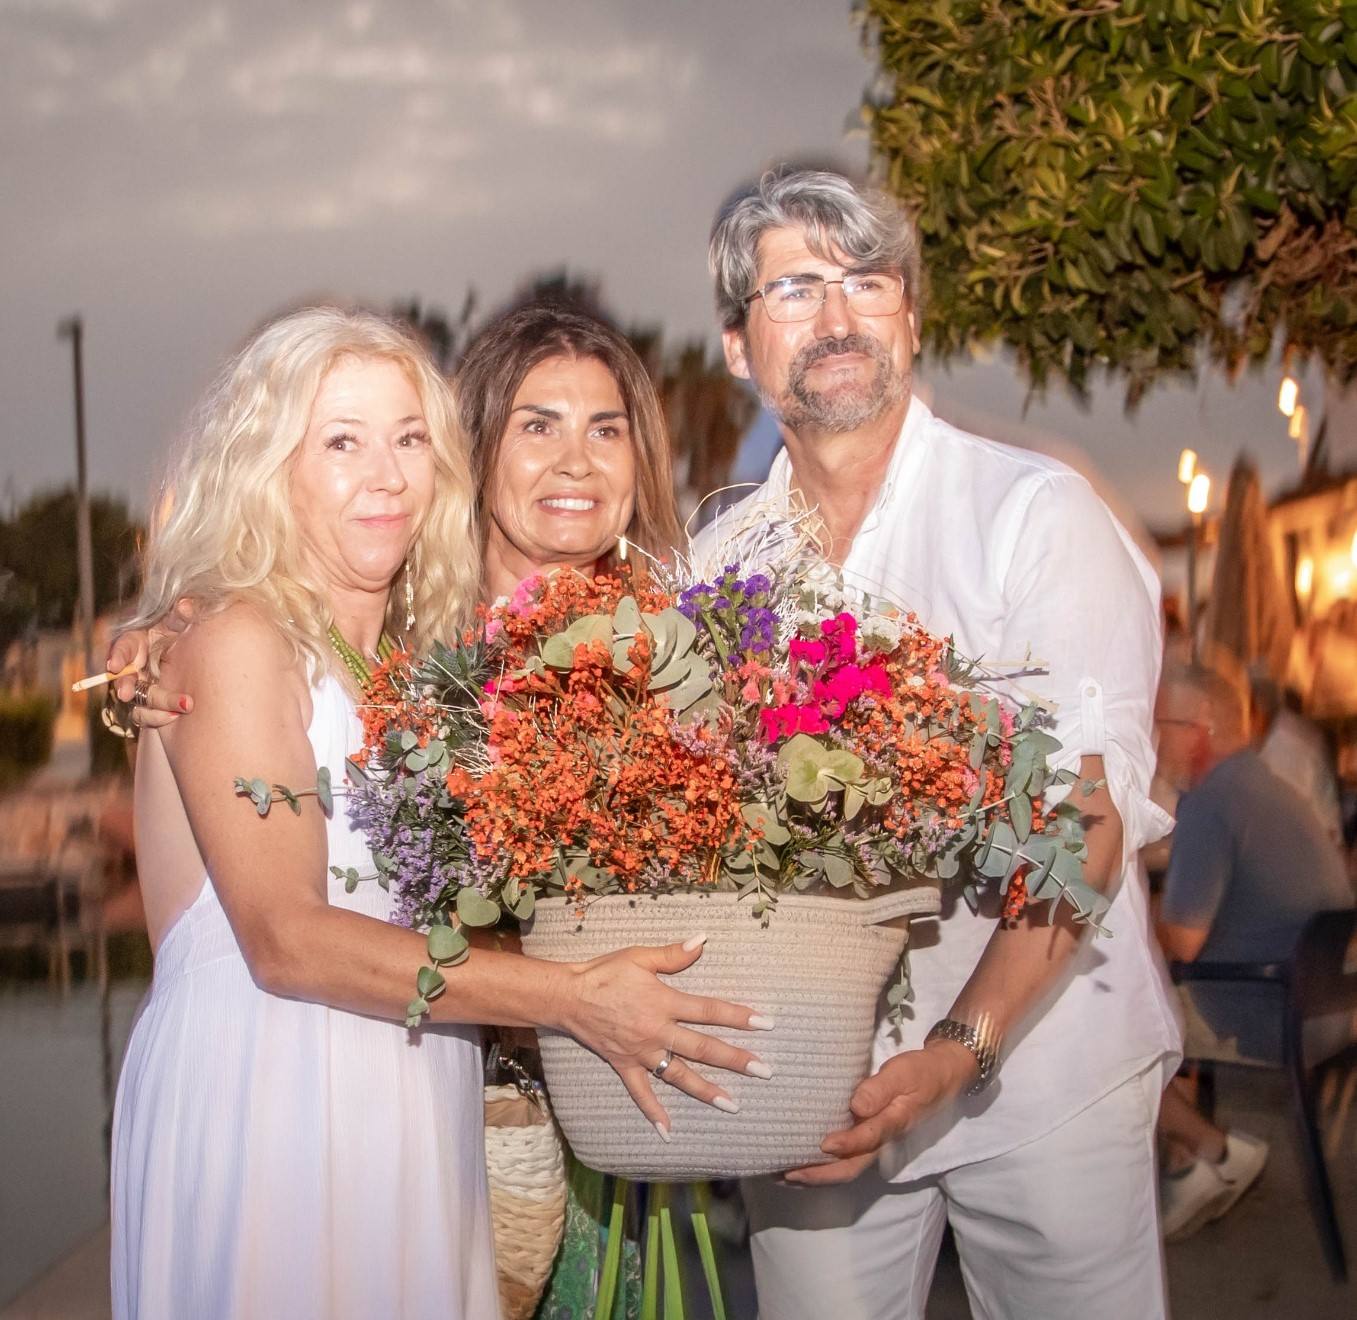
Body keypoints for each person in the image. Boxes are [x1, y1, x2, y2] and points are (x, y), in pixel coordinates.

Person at [108, 306, 768, 1319]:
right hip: (274, 1109)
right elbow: (285, 937)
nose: (385, 472)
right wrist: (573, 994)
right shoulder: (237, 638)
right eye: (341, 440)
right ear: (268, 463)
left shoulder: (413, 670)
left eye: (409, 438)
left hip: (416, 1092)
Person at [698, 168, 1179, 1319]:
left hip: (1044, 1075)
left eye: (868, 282)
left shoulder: (1031, 515)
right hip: (819, 1092)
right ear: (734, 343)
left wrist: (963, 1044)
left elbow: (1088, 815)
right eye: (796, 288)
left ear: (910, 319)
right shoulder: (720, 574)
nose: (837, 317)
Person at [1153, 661, 1353, 1240]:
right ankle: (1189, 1162)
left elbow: (1184, 941)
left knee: (1101, 1028)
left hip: (1270, 1008)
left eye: (1161, 722)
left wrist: (1134, 923)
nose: (1154, 737)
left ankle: (1207, 1149)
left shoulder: (1213, 801)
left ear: (1203, 726)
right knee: (1141, 1000)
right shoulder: (1269, 786)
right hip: (1330, 1005)